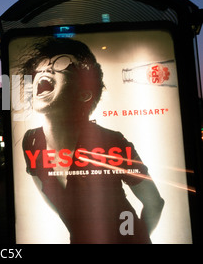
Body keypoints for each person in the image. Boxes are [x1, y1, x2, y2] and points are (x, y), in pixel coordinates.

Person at [18, 37, 164, 244]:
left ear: (84, 93)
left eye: (61, 63)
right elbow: (54, 199)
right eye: (41, 65)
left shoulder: (112, 141)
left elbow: (154, 203)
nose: (45, 70)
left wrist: (137, 239)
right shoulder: (31, 141)